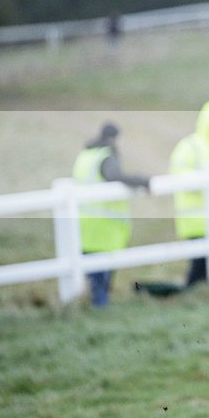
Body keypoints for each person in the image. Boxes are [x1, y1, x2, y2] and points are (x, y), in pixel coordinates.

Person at [73, 122, 150, 307]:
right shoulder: (106, 155)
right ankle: (100, 307)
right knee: (101, 274)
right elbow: (114, 175)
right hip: (103, 226)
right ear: (116, 138)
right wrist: (141, 180)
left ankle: (93, 304)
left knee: (92, 271)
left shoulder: (86, 155)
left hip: (84, 223)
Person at [169, 100, 209, 287]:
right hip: (195, 221)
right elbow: (179, 177)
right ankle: (192, 292)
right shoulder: (189, 147)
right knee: (199, 265)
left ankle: (204, 293)